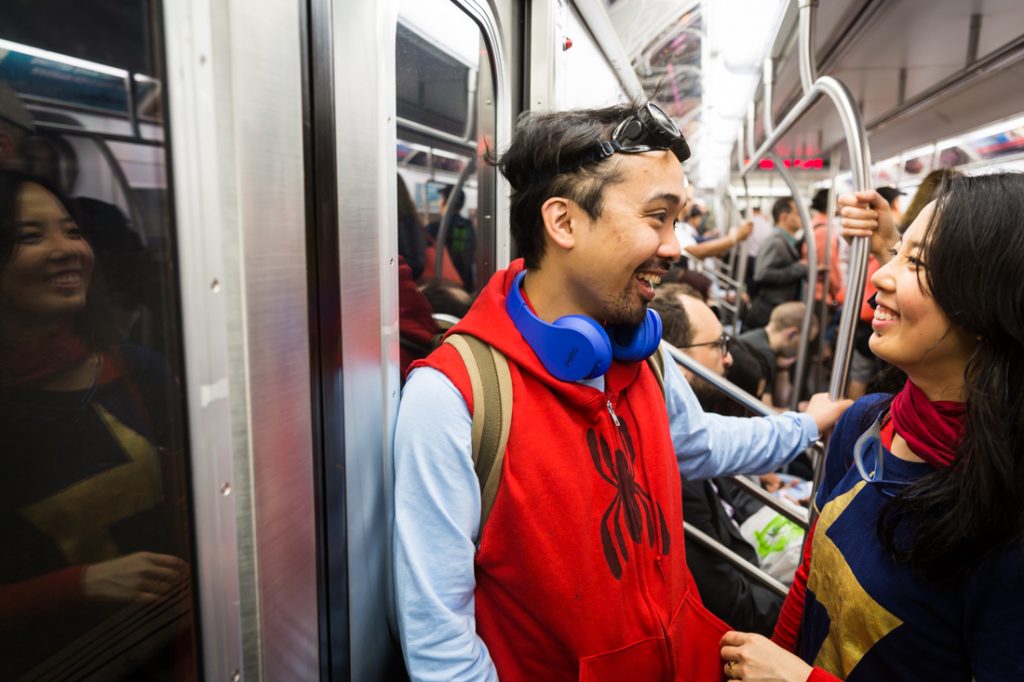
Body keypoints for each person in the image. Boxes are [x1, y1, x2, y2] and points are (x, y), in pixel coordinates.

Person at [392, 101, 851, 681]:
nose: (675, 246)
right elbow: (441, 643)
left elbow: (700, 444)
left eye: (677, 221)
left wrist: (805, 426)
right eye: (657, 217)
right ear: (563, 223)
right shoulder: (455, 397)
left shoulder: (641, 353)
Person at [718, 173, 1024, 681]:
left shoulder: (1004, 513)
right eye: (896, 252)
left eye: (917, 263)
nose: (880, 275)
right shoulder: (866, 423)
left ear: (989, 306)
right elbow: (809, 576)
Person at [0, 171, 191, 678]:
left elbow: (188, 506)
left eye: (71, 231)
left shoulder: (136, 371)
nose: (66, 250)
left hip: (170, 648)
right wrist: (81, 584)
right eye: (30, 236)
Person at [651, 289, 785, 635]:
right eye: (717, 345)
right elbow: (729, 602)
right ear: (680, 363)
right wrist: (793, 610)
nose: (728, 359)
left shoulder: (695, 433)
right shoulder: (680, 465)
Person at [739, 302, 816, 408]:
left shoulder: (759, 340)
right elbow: (766, 411)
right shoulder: (763, 353)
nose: (803, 348)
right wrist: (802, 411)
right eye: (805, 341)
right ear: (791, 334)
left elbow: (781, 401)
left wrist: (783, 368)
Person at [747, 196, 807, 329]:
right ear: (784, 217)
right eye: (797, 214)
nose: (801, 218)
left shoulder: (785, 241)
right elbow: (762, 274)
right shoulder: (776, 241)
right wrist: (800, 268)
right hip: (768, 311)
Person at [427, 185, 477, 289]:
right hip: (465, 284)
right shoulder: (468, 225)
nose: (439, 202)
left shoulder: (435, 228)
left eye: (441, 198)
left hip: (443, 286)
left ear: (445, 202)